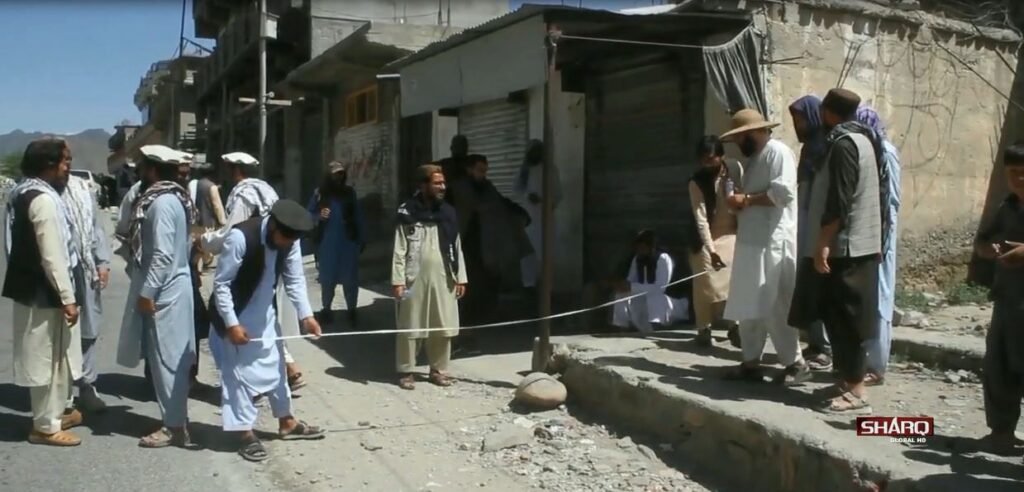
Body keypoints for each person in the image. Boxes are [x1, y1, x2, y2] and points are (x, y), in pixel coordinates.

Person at [209, 199, 326, 462]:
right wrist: (231, 324)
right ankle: (243, 433)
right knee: (236, 376)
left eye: (292, 240)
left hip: (265, 314)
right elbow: (222, 285)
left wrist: (306, 315)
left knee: (277, 368)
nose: (287, 244)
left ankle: (287, 421)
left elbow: (294, 279)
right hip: (235, 314)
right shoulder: (241, 237)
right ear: (272, 225)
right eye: (285, 238)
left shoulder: (290, 241)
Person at [790, 89, 883, 414]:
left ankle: (856, 390)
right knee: (835, 314)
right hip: (854, 245)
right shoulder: (863, 139)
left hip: (846, 248)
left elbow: (839, 200)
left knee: (846, 320)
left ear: (828, 113)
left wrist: (823, 242)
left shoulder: (844, 144)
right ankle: (847, 379)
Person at [200, 152, 308, 392]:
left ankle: (246, 384)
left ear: (235, 170)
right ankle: (287, 371)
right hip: (271, 263)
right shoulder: (267, 190)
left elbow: (232, 233)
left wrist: (204, 242)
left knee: (230, 327)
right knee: (267, 320)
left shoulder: (244, 195)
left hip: (250, 266)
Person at [115, 144, 199, 447]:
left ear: (152, 170)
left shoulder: (162, 203)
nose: (138, 173)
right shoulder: (173, 198)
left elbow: (162, 255)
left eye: (142, 168)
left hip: (165, 291)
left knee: (167, 361)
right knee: (173, 358)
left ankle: (173, 427)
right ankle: (177, 420)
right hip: (174, 285)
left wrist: (147, 292)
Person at [719, 109, 809, 386]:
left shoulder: (777, 152)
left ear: (754, 133)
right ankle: (750, 362)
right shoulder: (754, 160)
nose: (738, 143)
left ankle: (795, 363)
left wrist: (746, 200)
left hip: (773, 243)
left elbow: (782, 194)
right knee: (749, 305)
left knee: (776, 305)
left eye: (740, 137)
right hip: (751, 243)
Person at [3, 138, 83, 446]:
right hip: (43, 292)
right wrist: (68, 297)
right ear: (48, 164)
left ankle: (53, 416)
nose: (68, 167)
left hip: (33, 288)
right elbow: (52, 255)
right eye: (64, 161)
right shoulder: (44, 200)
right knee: (47, 360)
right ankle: (45, 427)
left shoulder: (23, 192)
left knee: (51, 357)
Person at [392, 164, 468, 390]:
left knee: (442, 325)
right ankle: (406, 371)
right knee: (410, 324)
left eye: (443, 183)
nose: (442, 187)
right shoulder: (407, 212)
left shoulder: (448, 213)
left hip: (445, 277)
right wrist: (397, 280)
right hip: (413, 278)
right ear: (423, 185)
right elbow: (399, 249)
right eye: (437, 183)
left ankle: (439, 370)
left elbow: (457, 246)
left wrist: (461, 277)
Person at [974, 143, 1024, 457]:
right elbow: (982, 240)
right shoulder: (1007, 206)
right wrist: (988, 249)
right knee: (999, 367)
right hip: (1007, 300)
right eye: (1013, 173)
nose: (1019, 179)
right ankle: (1001, 432)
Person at [458, 154, 532, 327]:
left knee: (490, 278)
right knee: (470, 282)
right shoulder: (459, 188)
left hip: (487, 243)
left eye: (485, 171)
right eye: (479, 170)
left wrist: (520, 213)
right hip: (466, 242)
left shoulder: (487, 187)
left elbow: (501, 203)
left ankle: (486, 315)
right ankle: (468, 318)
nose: (483, 174)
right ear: (469, 170)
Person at [856, 105, 901, 386]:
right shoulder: (868, 151)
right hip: (869, 230)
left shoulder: (885, 152)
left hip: (882, 232)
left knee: (880, 297)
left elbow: (891, 198)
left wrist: (881, 231)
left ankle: (877, 365)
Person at [789, 95, 834, 371]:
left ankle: (825, 347)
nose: (798, 125)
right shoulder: (809, 148)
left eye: (801, 119)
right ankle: (816, 343)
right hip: (805, 224)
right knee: (809, 284)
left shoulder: (825, 146)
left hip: (818, 225)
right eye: (795, 120)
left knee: (821, 285)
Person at [62, 172, 112, 413]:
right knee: (56, 332)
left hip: (84, 268)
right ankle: (59, 395)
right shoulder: (32, 193)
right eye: (62, 160)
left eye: (68, 160)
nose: (66, 167)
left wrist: (102, 262)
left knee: (88, 328)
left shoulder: (82, 189)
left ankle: (87, 386)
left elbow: (95, 228)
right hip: (52, 272)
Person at [686, 136, 738, 347]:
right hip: (705, 238)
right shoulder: (696, 182)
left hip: (731, 234)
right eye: (703, 159)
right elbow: (700, 218)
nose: (707, 163)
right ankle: (703, 328)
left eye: (711, 158)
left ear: (721, 156)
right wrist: (711, 249)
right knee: (704, 283)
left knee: (735, 280)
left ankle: (735, 326)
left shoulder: (734, 171)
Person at [307, 161, 365, 326]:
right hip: (327, 242)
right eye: (335, 174)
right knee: (327, 278)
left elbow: (358, 215)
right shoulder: (320, 193)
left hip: (348, 241)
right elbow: (308, 214)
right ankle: (326, 309)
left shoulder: (349, 193)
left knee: (350, 279)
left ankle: (351, 310)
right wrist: (319, 215)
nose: (338, 177)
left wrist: (362, 238)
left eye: (341, 174)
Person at [612, 230, 690, 332]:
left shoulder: (663, 258)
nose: (639, 250)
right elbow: (630, 281)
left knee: (655, 298)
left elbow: (660, 288)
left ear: (651, 247)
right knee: (621, 293)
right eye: (638, 247)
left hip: (670, 301)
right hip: (645, 298)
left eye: (642, 247)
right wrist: (623, 286)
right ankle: (622, 326)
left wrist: (632, 287)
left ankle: (656, 325)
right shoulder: (637, 259)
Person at [515, 140, 562, 296]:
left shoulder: (551, 170)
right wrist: (528, 196)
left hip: (546, 218)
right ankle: (528, 286)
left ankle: (547, 288)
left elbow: (558, 194)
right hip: (528, 219)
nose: (535, 154)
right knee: (528, 254)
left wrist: (547, 201)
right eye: (533, 151)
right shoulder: (524, 170)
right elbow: (517, 190)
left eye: (538, 151)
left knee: (547, 254)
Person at [188, 161, 226, 270]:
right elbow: (217, 205)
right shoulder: (212, 187)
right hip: (208, 222)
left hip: (196, 221)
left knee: (197, 244)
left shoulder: (194, 184)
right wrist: (223, 221)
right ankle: (203, 265)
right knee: (205, 246)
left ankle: (197, 266)